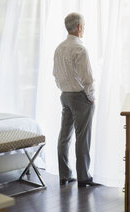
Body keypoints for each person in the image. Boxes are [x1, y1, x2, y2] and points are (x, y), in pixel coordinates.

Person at [53, 12, 96, 187]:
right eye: (83, 25)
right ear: (78, 27)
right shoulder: (80, 48)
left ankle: (64, 175)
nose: (84, 28)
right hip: (80, 97)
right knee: (82, 137)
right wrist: (91, 98)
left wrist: (64, 90)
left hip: (65, 96)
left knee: (65, 136)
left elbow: (55, 75)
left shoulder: (59, 48)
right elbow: (88, 78)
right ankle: (83, 177)